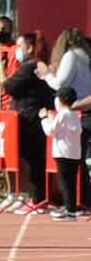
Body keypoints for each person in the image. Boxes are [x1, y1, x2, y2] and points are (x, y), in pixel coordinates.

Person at [2, 31, 55, 214]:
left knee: (35, 159)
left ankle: (37, 199)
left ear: (31, 48)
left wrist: (1, 71)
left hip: (30, 117)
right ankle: (38, 198)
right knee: (36, 159)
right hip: (36, 116)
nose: (17, 50)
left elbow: (9, 87)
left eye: (20, 46)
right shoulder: (39, 65)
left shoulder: (29, 67)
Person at [43, 27, 91, 205]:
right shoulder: (86, 58)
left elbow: (60, 83)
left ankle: (76, 202)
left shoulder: (71, 56)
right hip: (83, 110)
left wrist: (47, 76)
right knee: (79, 157)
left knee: (68, 161)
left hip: (73, 109)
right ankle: (83, 198)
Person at [40, 87, 84, 219]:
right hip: (74, 153)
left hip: (63, 154)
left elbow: (50, 131)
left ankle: (70, 211)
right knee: (71, 183)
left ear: (61, 100)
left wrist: (44, 119)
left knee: (65, 183)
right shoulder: (74, 115)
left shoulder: (62, 115)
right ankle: (70, 206)